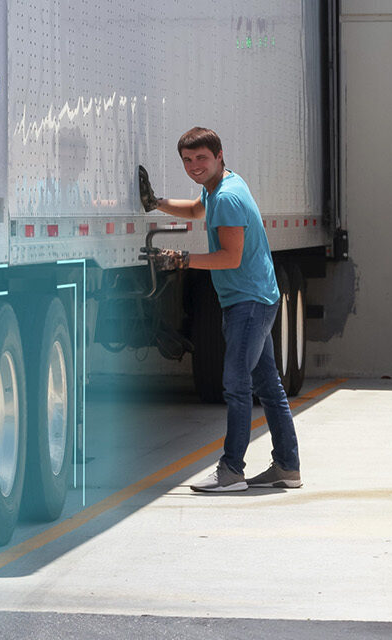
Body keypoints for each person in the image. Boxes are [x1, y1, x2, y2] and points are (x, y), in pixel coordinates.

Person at [137, 127, 302, 492]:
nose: (194, 166)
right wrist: (157, 202)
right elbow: (197, 209)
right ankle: (287, 467)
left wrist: (181, 259)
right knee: (268, 387)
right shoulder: (221, 185)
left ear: (219, 155)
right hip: (257, 296)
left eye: (201, 158)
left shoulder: (226, 197)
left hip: (248, 302)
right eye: (187, 160)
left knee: (237, 385)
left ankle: (231, 471)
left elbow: (230, 257)